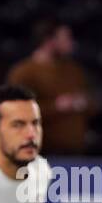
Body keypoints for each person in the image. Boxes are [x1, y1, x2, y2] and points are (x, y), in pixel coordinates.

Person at [7, 19, 95, 155]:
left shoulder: (74, 69)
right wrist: (57, 106)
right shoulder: (24, 72)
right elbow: (18, 112)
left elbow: (91, 102)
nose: (71, 43)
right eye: (66, 38)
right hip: (42, 153)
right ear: (49, 41)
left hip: (77, 153)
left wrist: (84, 103)